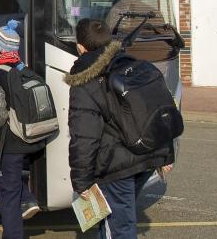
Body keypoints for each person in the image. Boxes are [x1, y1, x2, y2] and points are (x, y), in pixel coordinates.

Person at [65, 19, 174, 239]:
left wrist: (81, 181)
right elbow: (160, 109)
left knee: (118, 227)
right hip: (146, 157)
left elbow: (85, 137)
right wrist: (166, 155)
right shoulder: (134, 65)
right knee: (112, 222)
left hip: (116, 167)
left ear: (80, 47)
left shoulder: (86, 80)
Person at [0, 20, 43, 238]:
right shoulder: (23, 68)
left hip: (12, 141)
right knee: (13, 178)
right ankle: (27, 198)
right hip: (32, 136)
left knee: (7, 193)